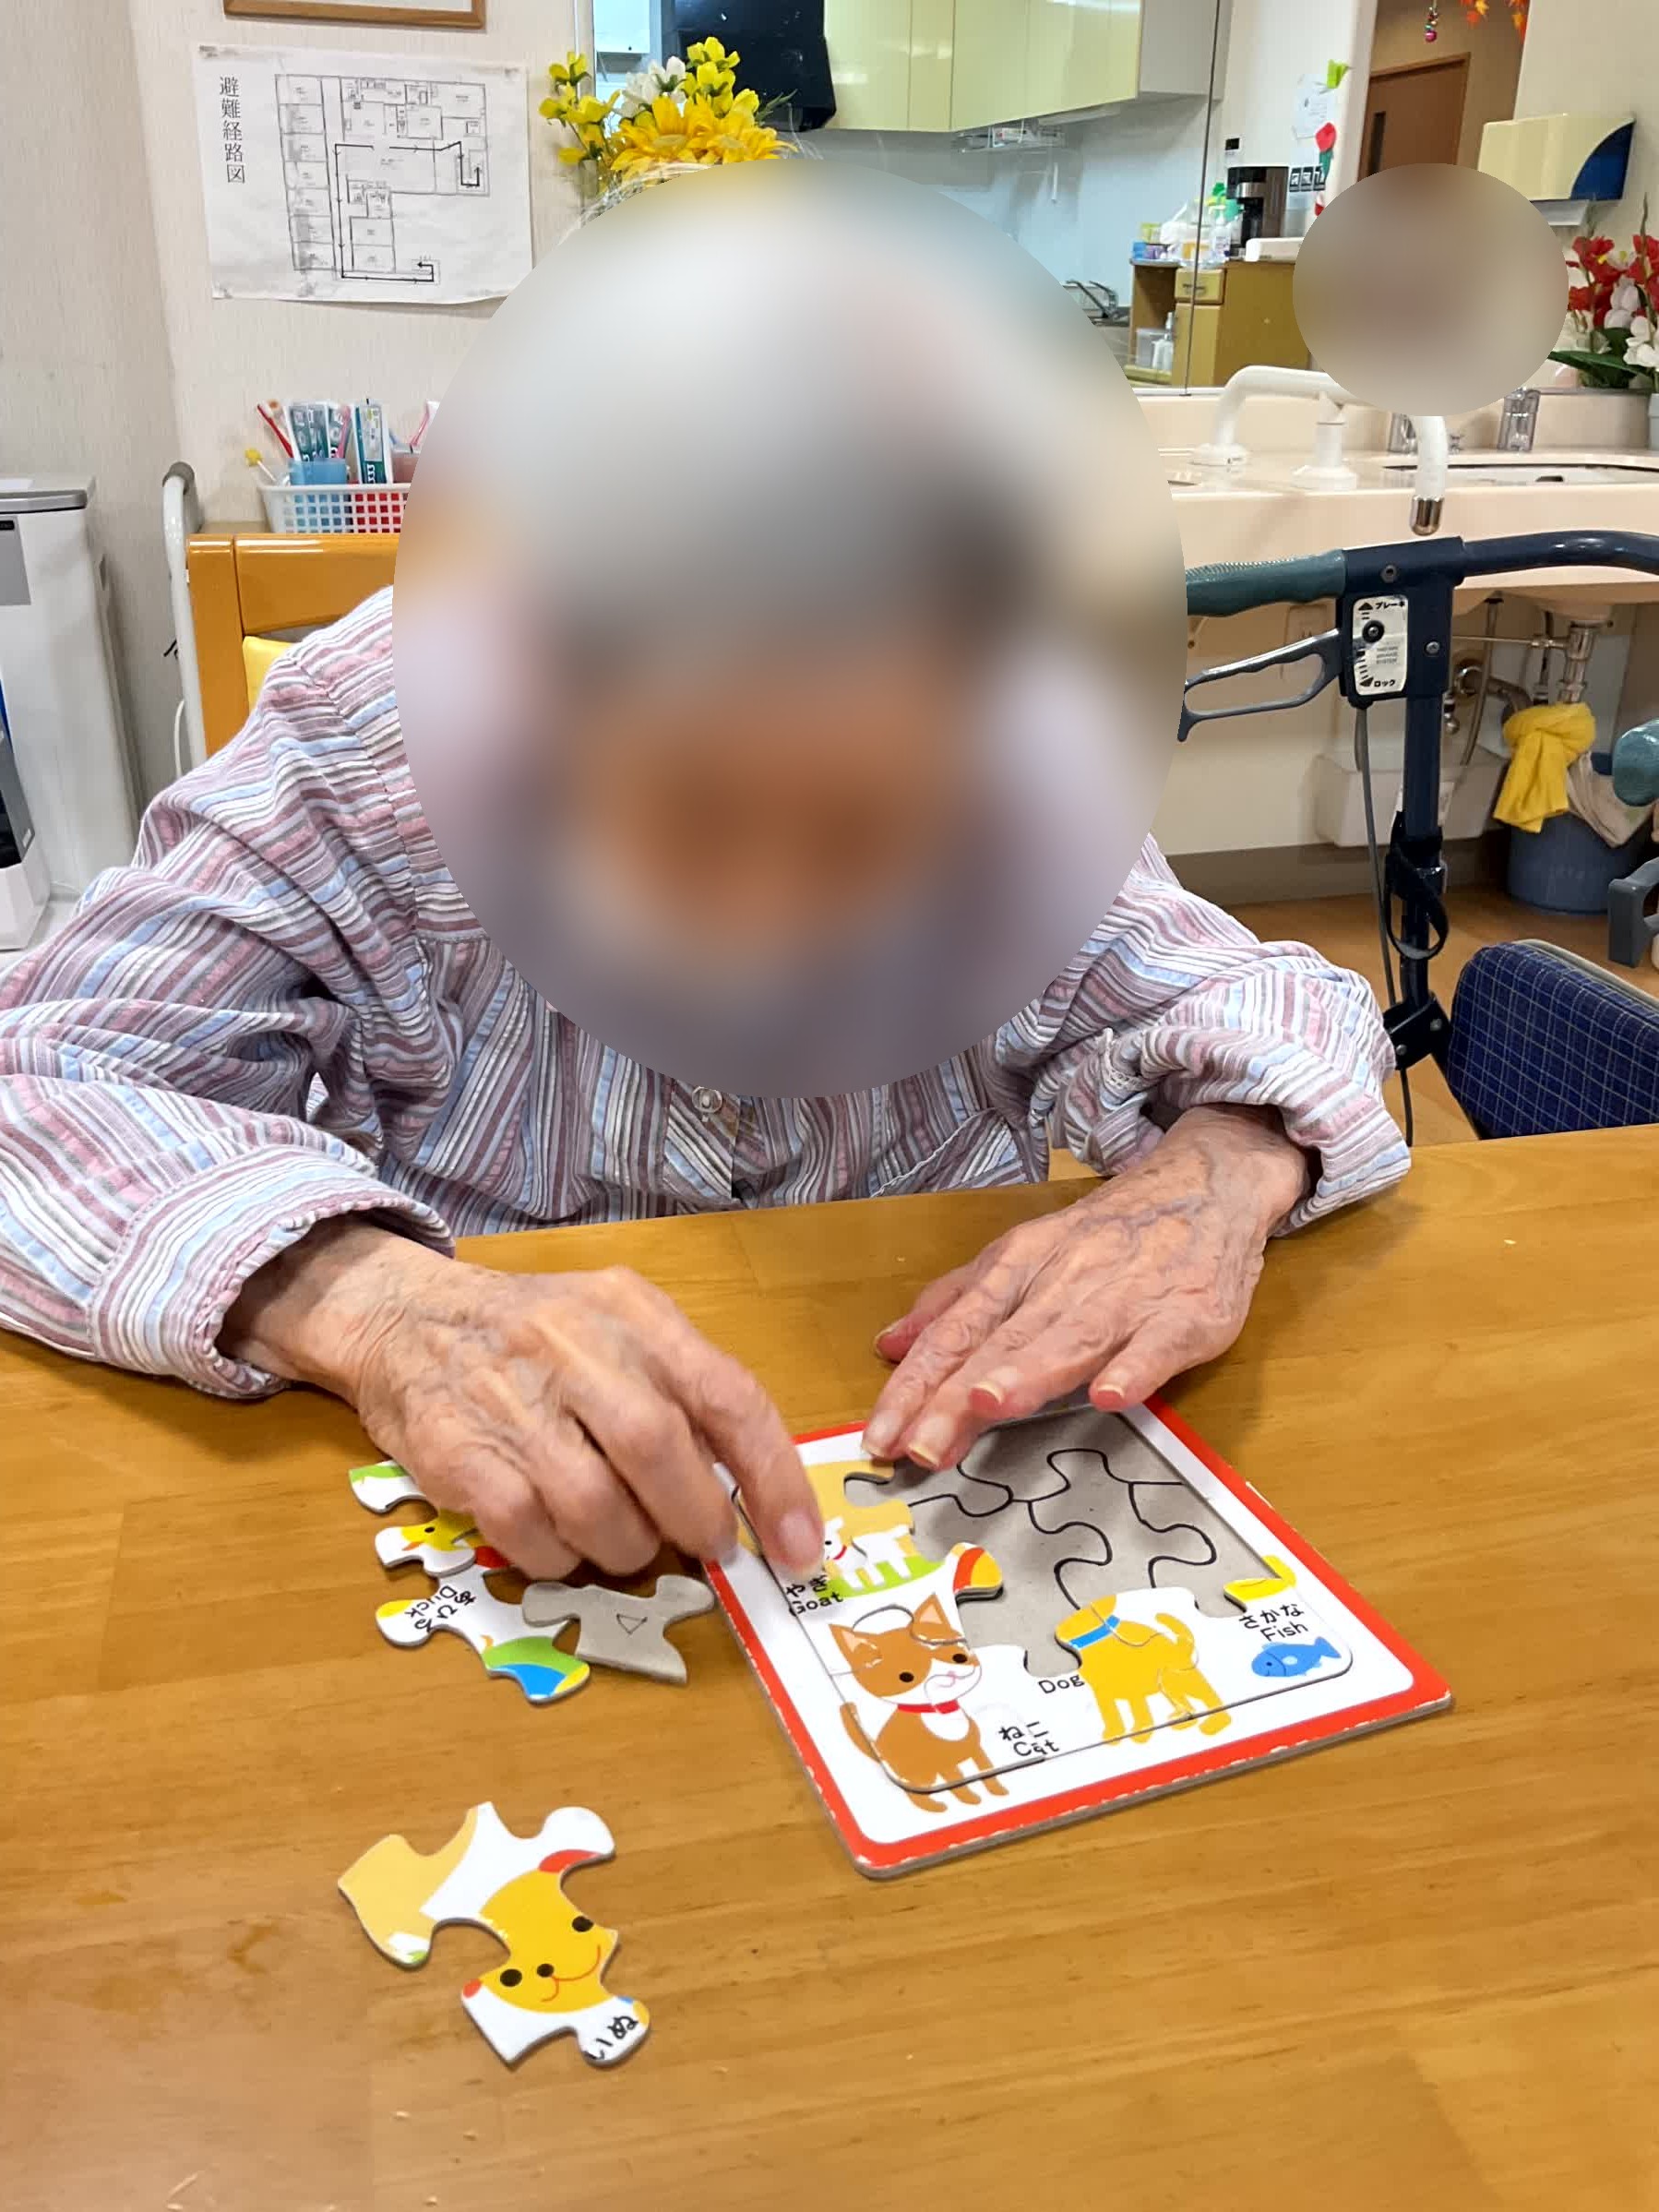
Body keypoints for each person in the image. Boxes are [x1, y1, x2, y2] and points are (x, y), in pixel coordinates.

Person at [0, 580, 1407, 1586]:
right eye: (692, 813)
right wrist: (376, 1306)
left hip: (908, 1444)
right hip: (467, 1477)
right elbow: (46, 1077)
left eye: (860, 831)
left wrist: (1215, 1168)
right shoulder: (376, 725)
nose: (771, 919)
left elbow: (1255, 1004)